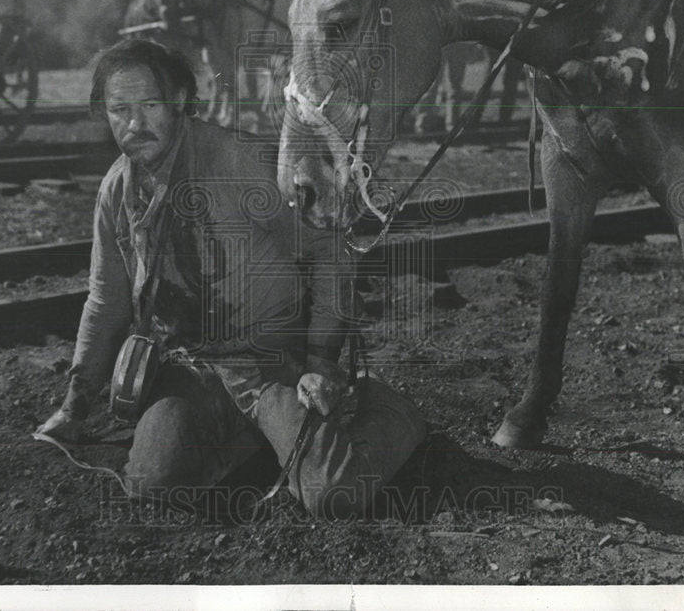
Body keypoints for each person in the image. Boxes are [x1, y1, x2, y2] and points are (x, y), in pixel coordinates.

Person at [36, 38, 426, 518]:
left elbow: (331, 248)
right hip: (189, 367)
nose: (134, 124)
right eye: (119, 109)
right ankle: (261, 438)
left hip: (271, 365)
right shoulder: (119, 188)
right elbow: (105, 300)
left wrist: (321, 361)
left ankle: (390, 412)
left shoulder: (240, 162)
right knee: (152, 483)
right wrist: (74, 406)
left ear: (180, 99)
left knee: (333, 493)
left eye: (150, 105)